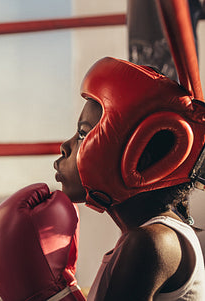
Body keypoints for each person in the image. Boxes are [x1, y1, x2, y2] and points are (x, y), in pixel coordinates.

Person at [54, 57, 205, 300]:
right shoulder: (143, 237)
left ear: (135, 155)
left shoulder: (152, 243)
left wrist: (50, 293)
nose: (64, 147)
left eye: (83, 133)